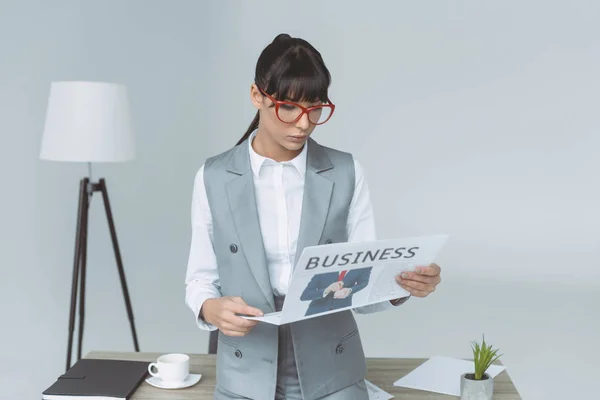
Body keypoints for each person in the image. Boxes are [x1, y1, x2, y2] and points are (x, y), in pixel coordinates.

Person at [185, 33, 443, 400]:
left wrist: (404, 286)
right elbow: (199, 279)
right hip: (244, 368)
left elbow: (362, 284)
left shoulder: (345, 171)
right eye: (289, 107)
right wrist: (210, 309)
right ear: (257, 95)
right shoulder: (212, 177)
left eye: (316, 108)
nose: (304, 123)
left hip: (332, 368)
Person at [300, 267, 372, 316]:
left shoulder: (364, 266)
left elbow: (363, 283)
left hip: (341, 314)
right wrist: (327, 290)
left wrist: (350, 290)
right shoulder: (324, 266)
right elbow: (305, 295)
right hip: (315, 313)